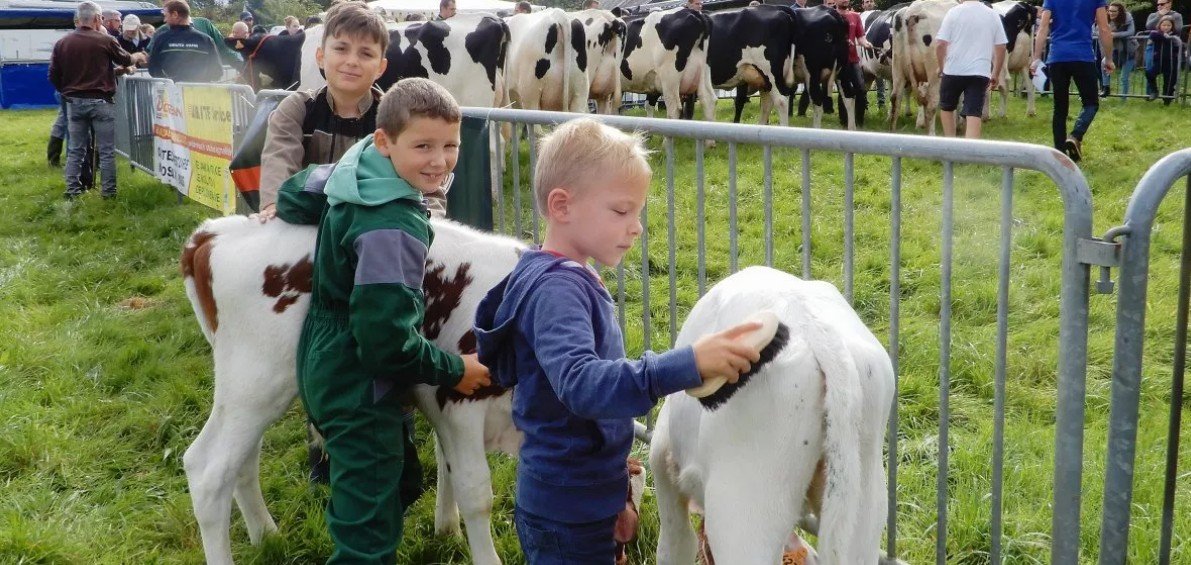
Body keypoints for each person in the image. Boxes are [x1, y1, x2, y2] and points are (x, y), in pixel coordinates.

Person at [474, 117, 763, 565]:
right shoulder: (557, 291)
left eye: (638, 213)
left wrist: (615, 486)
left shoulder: (560, 274)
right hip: (568, 512)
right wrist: (685, 365)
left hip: (580, 495)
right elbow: (581, 384)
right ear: (562, 206)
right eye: (621, 211)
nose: (637, 227)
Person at [276, 77, 491, 565]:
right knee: (368, 530)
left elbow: (293, 193)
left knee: (394, 479)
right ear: (384, 141)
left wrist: (279, 207)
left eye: (450, 146)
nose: (439, 161)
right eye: (423, 146)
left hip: (323, 352)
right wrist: (456, 370)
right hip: (358, 375)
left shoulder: (357, 171)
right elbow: (385, 344)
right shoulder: (392, 228)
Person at [48, 1, 143, 199]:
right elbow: (126, 60)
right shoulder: (105, 40)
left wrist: (66, 92)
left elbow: (53, 75)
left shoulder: (63, 42)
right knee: (107, 151)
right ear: (98, 18)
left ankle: (72, 191)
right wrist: (138, 56)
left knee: (76, 150)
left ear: (79, 18)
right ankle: (108, 193)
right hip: (101, 101)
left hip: (74, 102)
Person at [1031, 0, 1114, 162]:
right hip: (1083, 56)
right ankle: (1076, 136)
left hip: (1057, 57)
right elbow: (1104, 28)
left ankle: (1059, 155)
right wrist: (1108, 58)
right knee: (1091, 103)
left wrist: (1036, 58)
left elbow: (1043, 28)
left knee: (1060, 108)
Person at [935, 0, 1007, 138]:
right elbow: (1001, 47)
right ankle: (971, 148)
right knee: (974, 112)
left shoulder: (953, 12)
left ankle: (950, 143)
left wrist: (942, 67)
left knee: (947, 107)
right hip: (979, 72)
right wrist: (995, 73)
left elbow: (940, 44)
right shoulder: (992, 14)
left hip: (953, 70)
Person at [147, 0, 223, 82]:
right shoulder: (206, 40)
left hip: (172, 89)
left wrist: (169, 82)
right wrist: (201, 81)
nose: (165, 20)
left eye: (166, 16)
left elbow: (153, 69)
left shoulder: (161, 39)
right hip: (200, 88)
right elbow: (217, 71)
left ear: (175, 14)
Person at [835, 0, 873, 127]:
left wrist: (866, 44)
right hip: (839, 61)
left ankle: (859, 121)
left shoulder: (855, 16)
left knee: (861, 89)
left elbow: (861, 38)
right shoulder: (830, 16)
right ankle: (844, 122)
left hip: (853, 60)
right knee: (844, 92)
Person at [1146, 15, 1184, 104]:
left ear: (1172, 26)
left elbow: (1179, 45)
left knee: (1169, 82)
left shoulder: (1175, 36)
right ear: (1160, 25)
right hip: (1158, 61)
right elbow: (1153, 35)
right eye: (1164, 25)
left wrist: (1168, 38)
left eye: (1168, 25)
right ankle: (1154, 91)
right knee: (1149, 73)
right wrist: (1165, 36)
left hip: (1171, 62)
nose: (1166, 27)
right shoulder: (1155, 33)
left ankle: (1167, 101)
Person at [1103, 2, 1135, 97]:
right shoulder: (1106, 18)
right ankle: (1106, 87)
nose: (1111, 13)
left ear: (1120, 12)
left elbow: (1131, 32)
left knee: (1124, 77)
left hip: (1129, 49)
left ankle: (1123, 99)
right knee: (1104, 63)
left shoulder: (1127, 18)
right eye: (1110, 11)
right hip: (1115, 49)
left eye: (1114, 11)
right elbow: (1098, 31)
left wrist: (1114, 35)